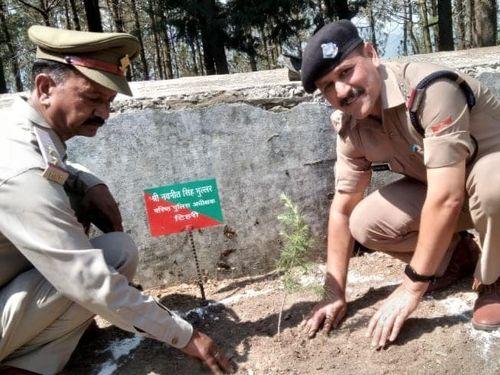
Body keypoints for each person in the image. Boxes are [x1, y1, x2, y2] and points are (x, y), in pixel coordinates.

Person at [0, 25, 234, 374]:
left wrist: (88, 181)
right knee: (99, 277)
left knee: (119, 251)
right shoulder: (21, 171)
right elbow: (88, 280)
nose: (103, 114)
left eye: (108, 102)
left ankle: (36, 352)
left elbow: (49, 159)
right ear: (45, 88)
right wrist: (186, 336)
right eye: (92, 98)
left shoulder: (18, 122)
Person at [299, 20, 500, 348]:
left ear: (372, 53)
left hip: (487, 181)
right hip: (449, 191)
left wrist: (412, 286)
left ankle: (496, 277)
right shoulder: (353, 126)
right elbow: (343, 206)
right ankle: (459, 255)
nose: (342, 91)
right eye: (327, 86)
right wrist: (333, 291)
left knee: (494, 183)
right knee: (364, 222)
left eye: (346, 72)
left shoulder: (431, 90)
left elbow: (447, 197)